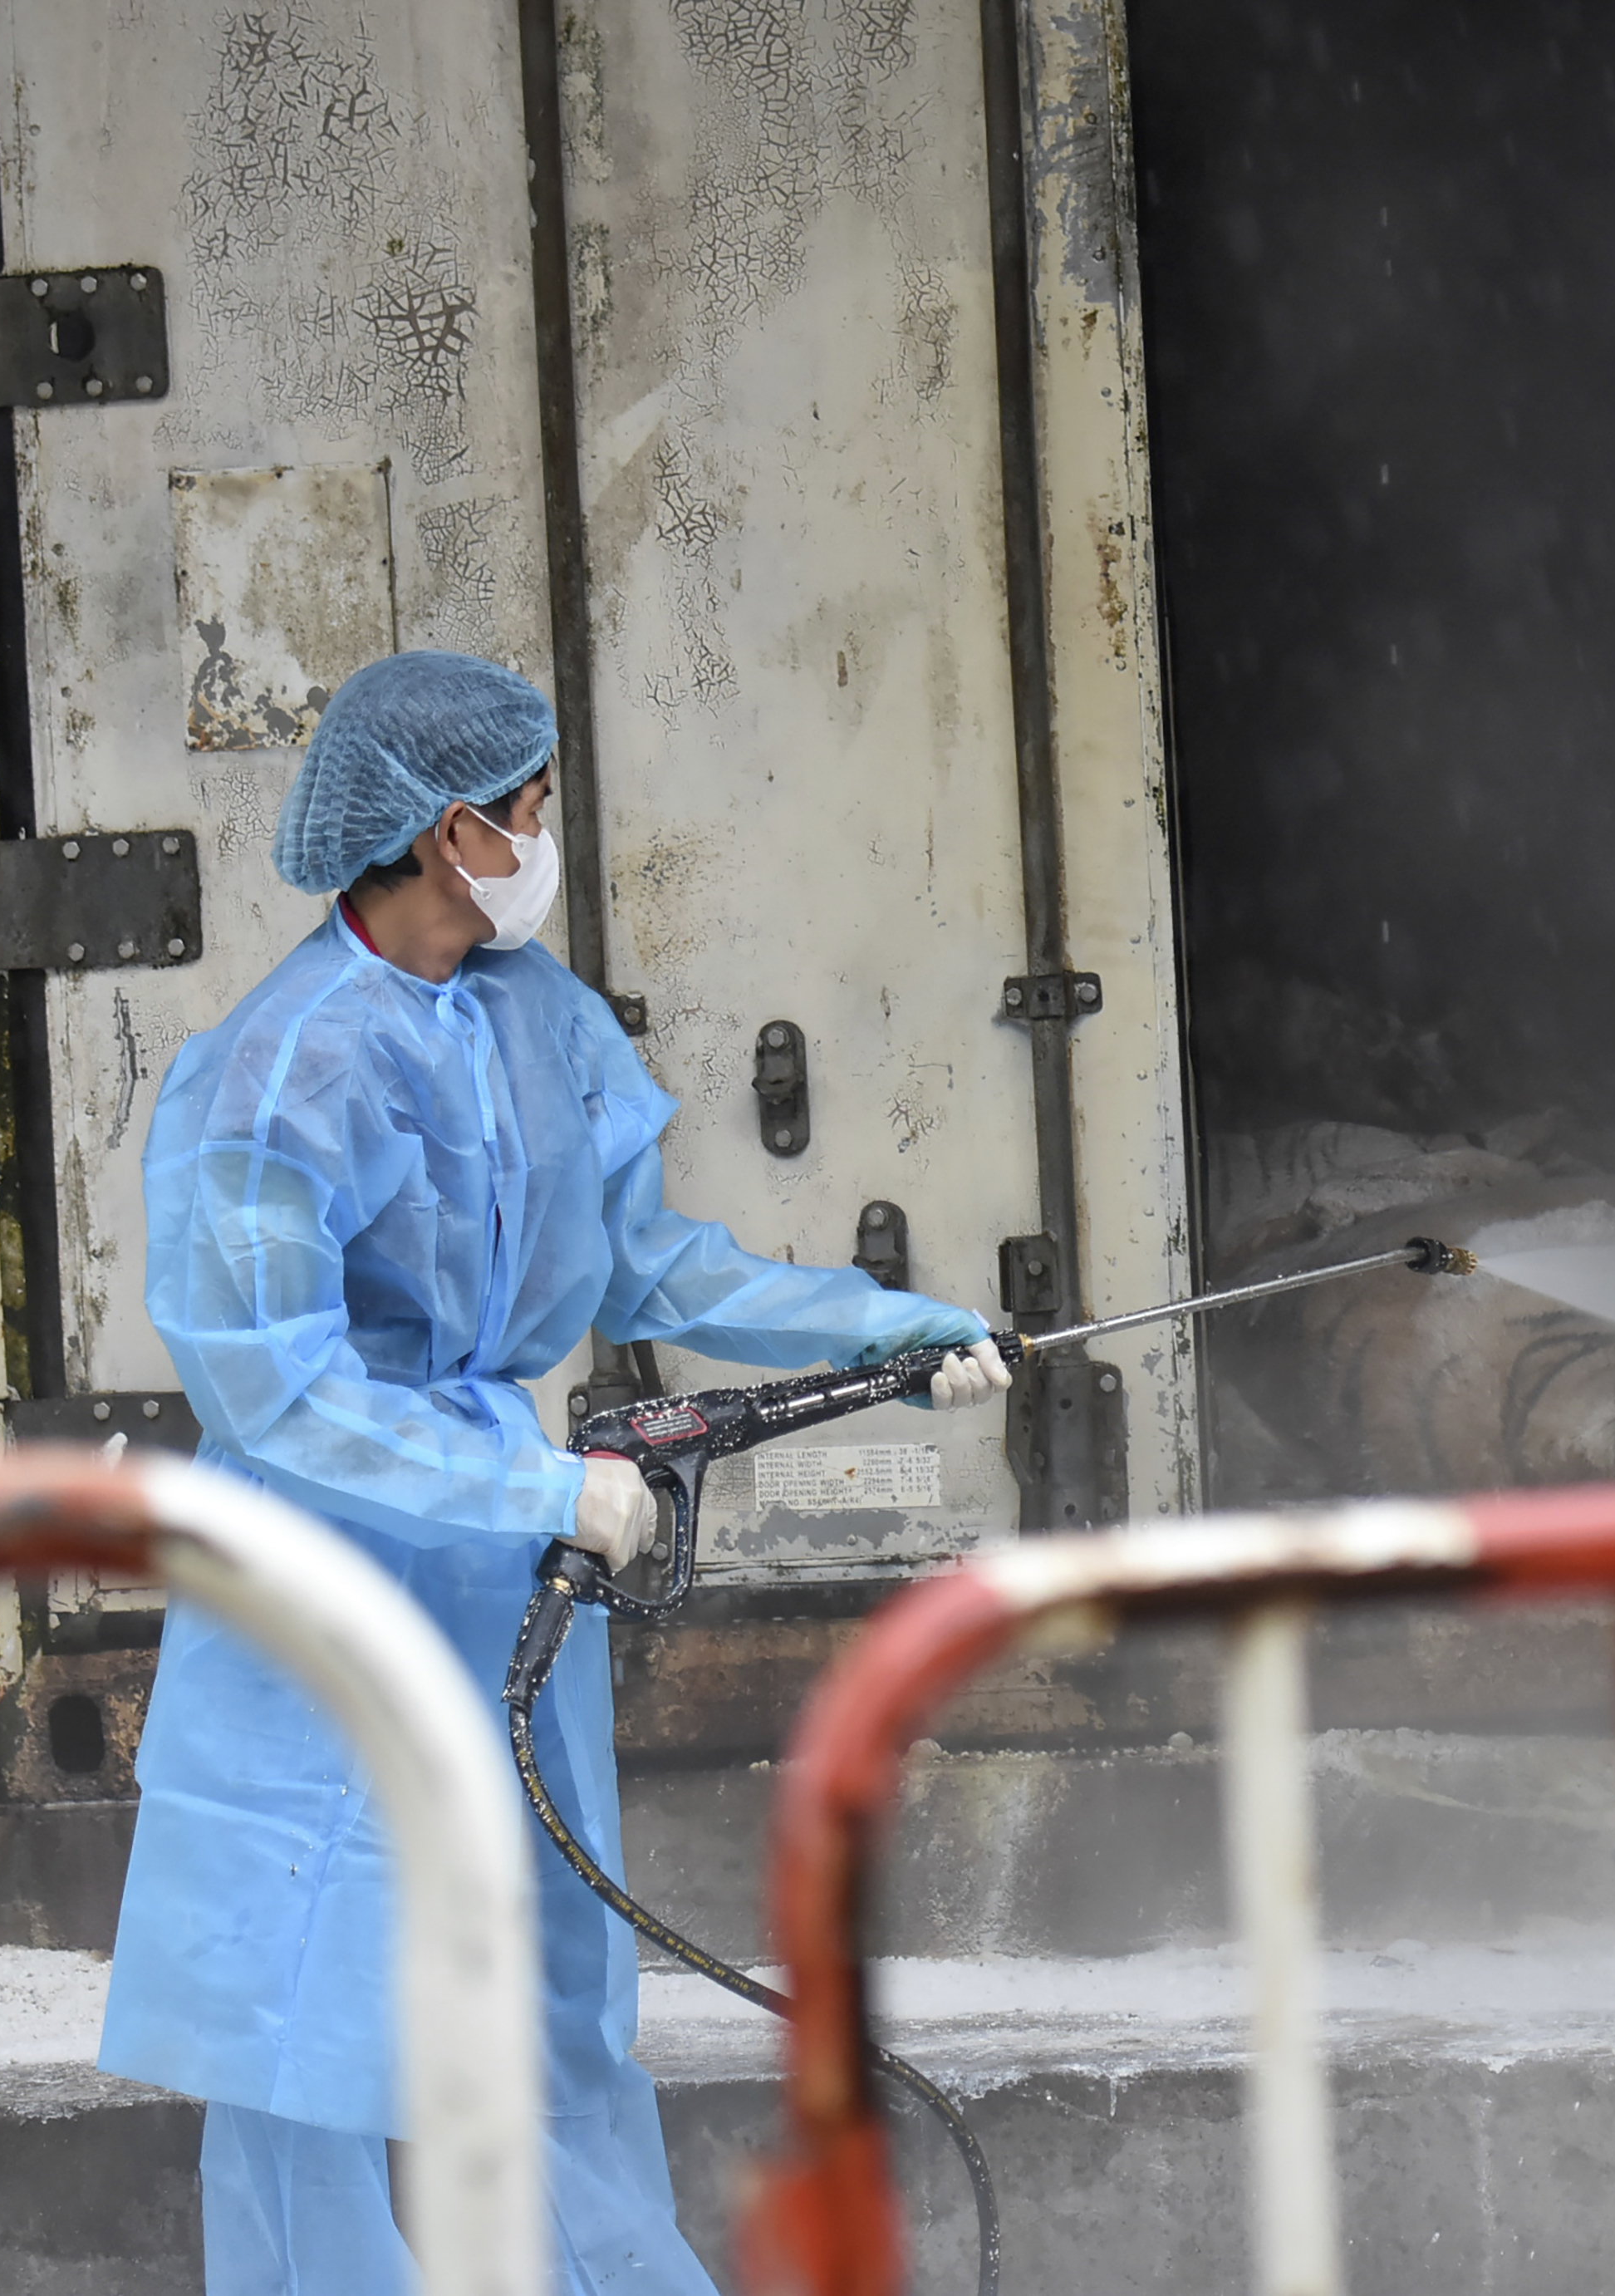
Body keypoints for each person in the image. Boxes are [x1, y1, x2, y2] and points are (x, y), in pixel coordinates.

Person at [96, 650, 1011, 2296]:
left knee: (551, 1994)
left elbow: (653, 1268)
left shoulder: (541, 1019)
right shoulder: (272, 1068)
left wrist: (893, 1333)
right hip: (322, 1589)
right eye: (529, 808)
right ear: (453, 831)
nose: (544, 832)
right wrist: (541, 1492)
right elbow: (278, 1392)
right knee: (313, 2035)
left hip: (503, 1579)